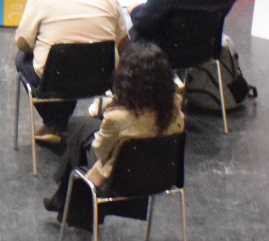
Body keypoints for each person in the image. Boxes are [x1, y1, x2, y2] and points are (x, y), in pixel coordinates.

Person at [43, 41, 185, 217]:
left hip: (120, 179)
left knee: (77, 133)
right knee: (80, 126)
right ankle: (61, 199)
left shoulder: (116, 118)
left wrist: (113, 105)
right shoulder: (175, 109)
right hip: (160, 176)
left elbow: (99, 150)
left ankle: (65, 198)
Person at [12, 0, 128, 143]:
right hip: (101, 77)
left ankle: (55, 123)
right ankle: (58, 124)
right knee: (73, 63)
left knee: (22, 59)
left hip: (56, 78)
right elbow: (123, 42)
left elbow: (23, 43)